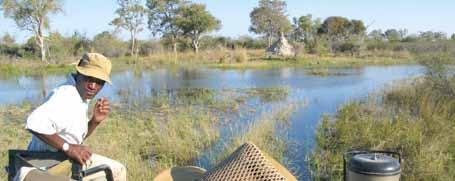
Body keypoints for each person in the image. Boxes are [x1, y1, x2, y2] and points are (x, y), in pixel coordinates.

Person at [15, 53, 126, 181]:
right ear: (79, 74)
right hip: (40, 167)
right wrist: (68, 148)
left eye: (99, 82)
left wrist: (94, 122)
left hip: (61, 161)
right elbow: (34, 122)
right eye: (89, 78)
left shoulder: (81, 97)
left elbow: (72, 136)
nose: (93, 86)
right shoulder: (66, 96)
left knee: (117, 170)